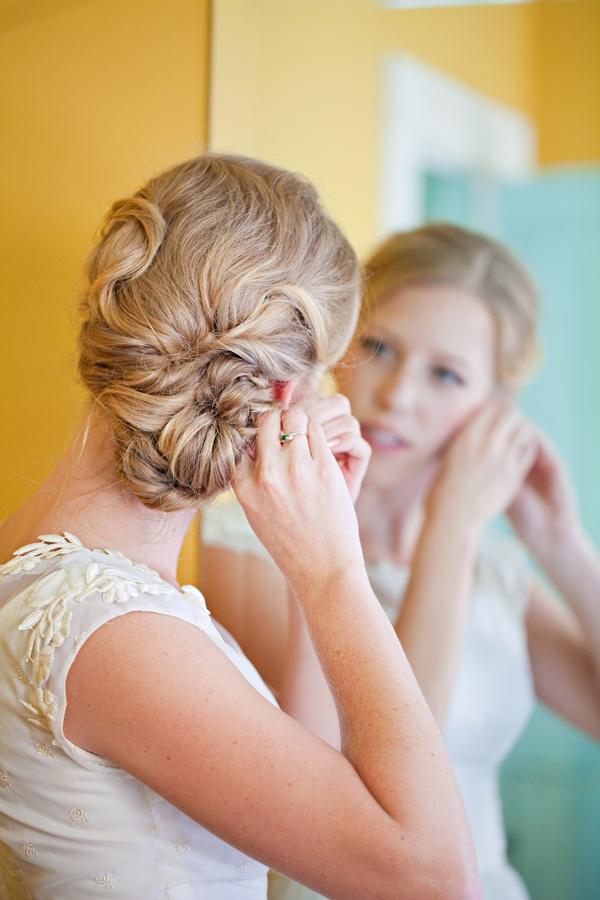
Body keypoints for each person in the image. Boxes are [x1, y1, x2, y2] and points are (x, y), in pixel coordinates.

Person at [0, 158, 480, 900]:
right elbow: (437, 879)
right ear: (288, 391)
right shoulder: (114, 632)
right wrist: (334, 575)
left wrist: (310, 556)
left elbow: (310, 804)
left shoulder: (66, 579)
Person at [200, 224, 600, 900]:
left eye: (446, 374)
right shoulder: (248, 539)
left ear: (494, 410)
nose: (396, 395)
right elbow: (389, 781)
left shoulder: (493, 568)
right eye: (378, 347)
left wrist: (563, 546)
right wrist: (452, 528)